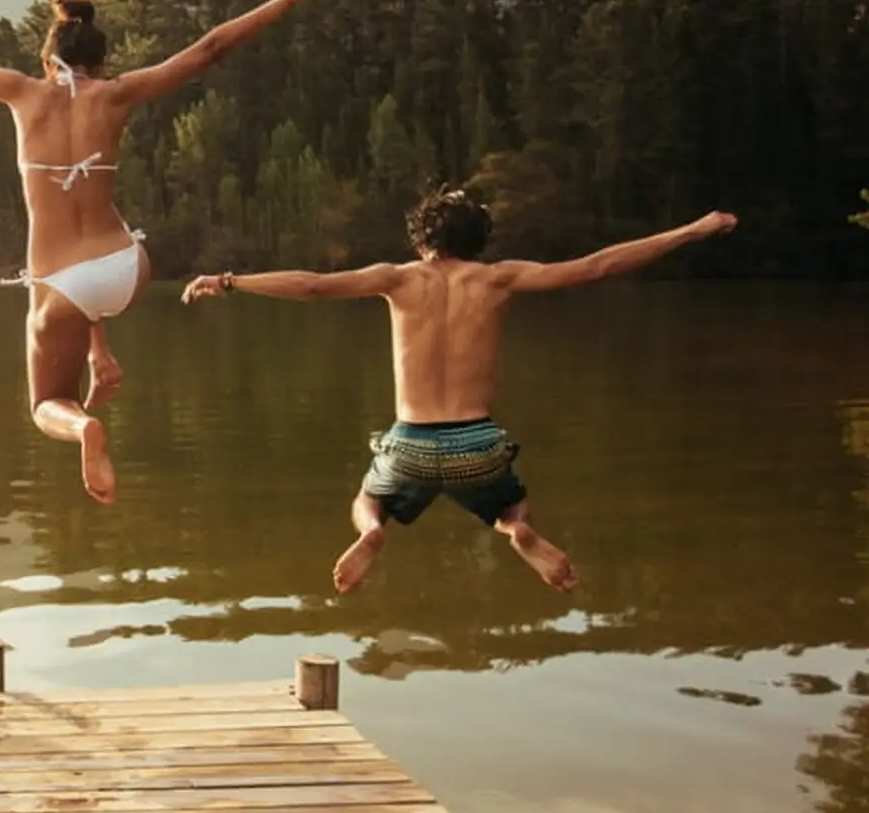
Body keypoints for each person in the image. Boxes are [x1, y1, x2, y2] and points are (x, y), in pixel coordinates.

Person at [0, 0, 345, 504]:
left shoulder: (22, 93)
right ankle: (98, 352)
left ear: (49, 61)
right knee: (87, 257)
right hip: (128, 267)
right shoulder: (117, 94)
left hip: (67, 284)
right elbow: (211, 47)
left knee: (44, 404)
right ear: (101, 63)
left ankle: (84, 428)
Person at [183, 189, 739, 593]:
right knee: (509, 501)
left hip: (411, 444)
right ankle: (519, 529)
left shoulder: (396, 279)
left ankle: (373, 531)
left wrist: (230, 281)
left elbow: (310, 285)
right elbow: (598, 266)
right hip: (477, 443)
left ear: (422, 239)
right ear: (479, 239)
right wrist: (692, 230)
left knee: (369, 497)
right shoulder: (498, 278)